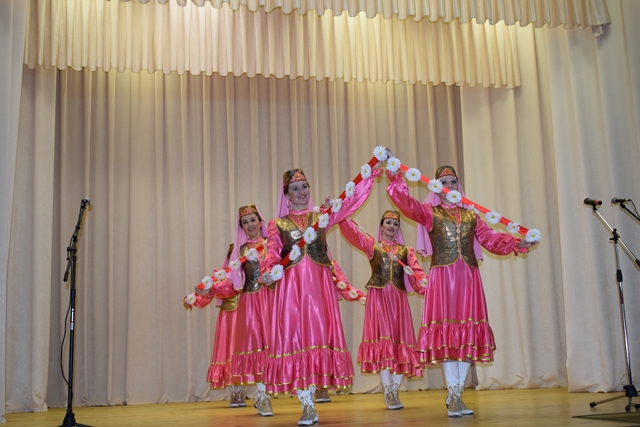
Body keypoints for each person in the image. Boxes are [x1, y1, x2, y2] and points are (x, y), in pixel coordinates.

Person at [386, 162, 538, 417]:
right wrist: (394, 175)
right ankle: (454, 393)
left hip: (468, 278)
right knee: (447, 335)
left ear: (459, 185)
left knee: (468, 334)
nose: (449, 186)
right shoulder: (429, 212)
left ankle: (456, 393)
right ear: (436, 187)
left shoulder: (471, 215)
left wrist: (518, 242)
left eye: (453, 182)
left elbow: (490, 239)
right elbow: (405, 203)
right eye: (444, 183)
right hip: (443, 279)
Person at [260, 167, 379, 426]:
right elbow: (272, 252)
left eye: (304, 186)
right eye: (295, 188)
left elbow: (350, 202)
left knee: (316, 339)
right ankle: (307, 406)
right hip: (292, 290)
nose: (301, 192)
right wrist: (267, 271)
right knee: (296, 340)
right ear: (286, 195)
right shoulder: (277, 224)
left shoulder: (321, 216)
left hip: (319, 288)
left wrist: (372, 171)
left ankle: (312, 401)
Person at [184, 204, 273, 415]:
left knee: (272, 349)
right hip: (250, 305)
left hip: (272, 302)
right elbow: (230, 282)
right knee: (255, 349)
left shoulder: (273, 244)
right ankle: (263, 397)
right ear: (240, 226)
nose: (250, 225)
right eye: (245, 222)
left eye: (253, 220)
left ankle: (267, 394)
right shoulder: (238, 250)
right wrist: (209, 289)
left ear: (260, 221)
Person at [338, 210, 427, 410]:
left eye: (395, 224)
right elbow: (354, 233)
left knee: (400, 342)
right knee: (383, 342)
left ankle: (395, 390)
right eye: (388, 222)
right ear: (381, 226)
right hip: (378, 299)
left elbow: (417, 273)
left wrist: (428, 284)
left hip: (398, 301)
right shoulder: (373, 246)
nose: (391, 226)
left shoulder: (407, 251)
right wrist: (340, 213)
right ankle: (388, 391)